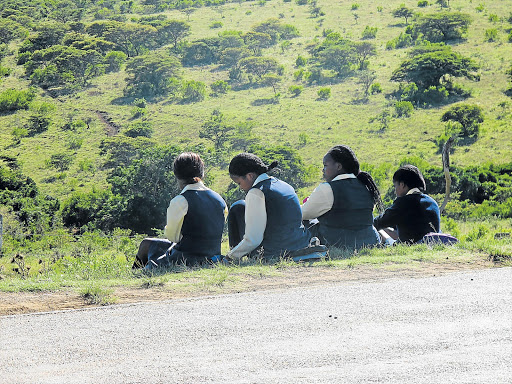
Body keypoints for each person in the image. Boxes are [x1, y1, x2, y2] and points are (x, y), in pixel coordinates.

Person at [133, 152, 227, 269]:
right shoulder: (220, 199)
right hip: (212, 258)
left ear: (177, 175)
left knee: (146, 244)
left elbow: (173, 238)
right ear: (202, 173)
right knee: (148, 244)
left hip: (185, 260)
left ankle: (135, 274)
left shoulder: (181, 200)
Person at [226, 153, 312, 260]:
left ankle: (235, 259)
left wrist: (230, 257)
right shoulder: (285, 185)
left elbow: (253, 240)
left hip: (275, 253)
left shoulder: (256, 192)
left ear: (250, 176)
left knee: (237, 207)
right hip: (300, 246)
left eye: (239, 183)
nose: (240, 187)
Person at [301, 145, 382, 250]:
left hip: (338, 245)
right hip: (370, 243)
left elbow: (303, 213)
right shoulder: (366, 186)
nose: (323, 170)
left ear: (338, 167)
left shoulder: (327, 188)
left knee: (304, 222)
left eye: (325, 165)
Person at [373, 164, 441, 244]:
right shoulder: (433, 202)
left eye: (395, 186)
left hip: (409, 247)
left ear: (402, 185)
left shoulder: (403, 202)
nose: (395, 191)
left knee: (382, 232)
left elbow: (379, 222)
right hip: (430, 245)